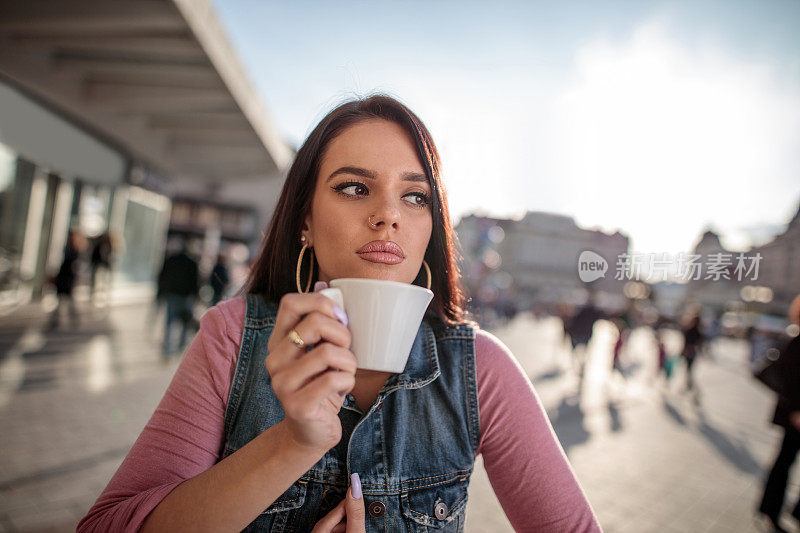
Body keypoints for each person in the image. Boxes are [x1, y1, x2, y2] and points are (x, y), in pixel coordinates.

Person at [78, 94, 602, 532]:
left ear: (431, 231)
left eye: (415, 197)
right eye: (354, 188)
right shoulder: (233, 337)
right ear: (305, 219)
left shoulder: (478, 370)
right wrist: (293, 441)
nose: (388, 215)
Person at [757, 294, 800, 533]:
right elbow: (790, 379)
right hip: (795, 415)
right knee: (784, 461)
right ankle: (770, 510)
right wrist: (795, 410)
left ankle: (771, 509)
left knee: (784, 460)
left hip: (793, 413)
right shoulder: (796, 339)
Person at [157, 239, 200, 357]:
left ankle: (167, 348)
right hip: (185, 297)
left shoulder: (171, 260)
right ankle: (180, 347)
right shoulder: (192, 263)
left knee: (169, 322)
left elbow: (162, 276)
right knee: (185, 322)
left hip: (172, 295)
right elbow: (196, 282)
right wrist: (195, 297)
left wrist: (160, 293)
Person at [48, 229, 86, 330]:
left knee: (67, 300)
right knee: (62, 300)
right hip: (64, 277)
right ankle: (56, 320)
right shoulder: (70, 248)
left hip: (68, 278)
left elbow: (74, 266)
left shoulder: (75, 250)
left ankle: (70, 319)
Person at [680, 310, 705, 394]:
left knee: (688, 369)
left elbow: (686, 341)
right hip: (692, 352)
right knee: (689, 369)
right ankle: (688, 384)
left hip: (689, 352)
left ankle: (688, 384)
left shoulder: (691, 330)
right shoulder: (697, 331)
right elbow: (699, 343)